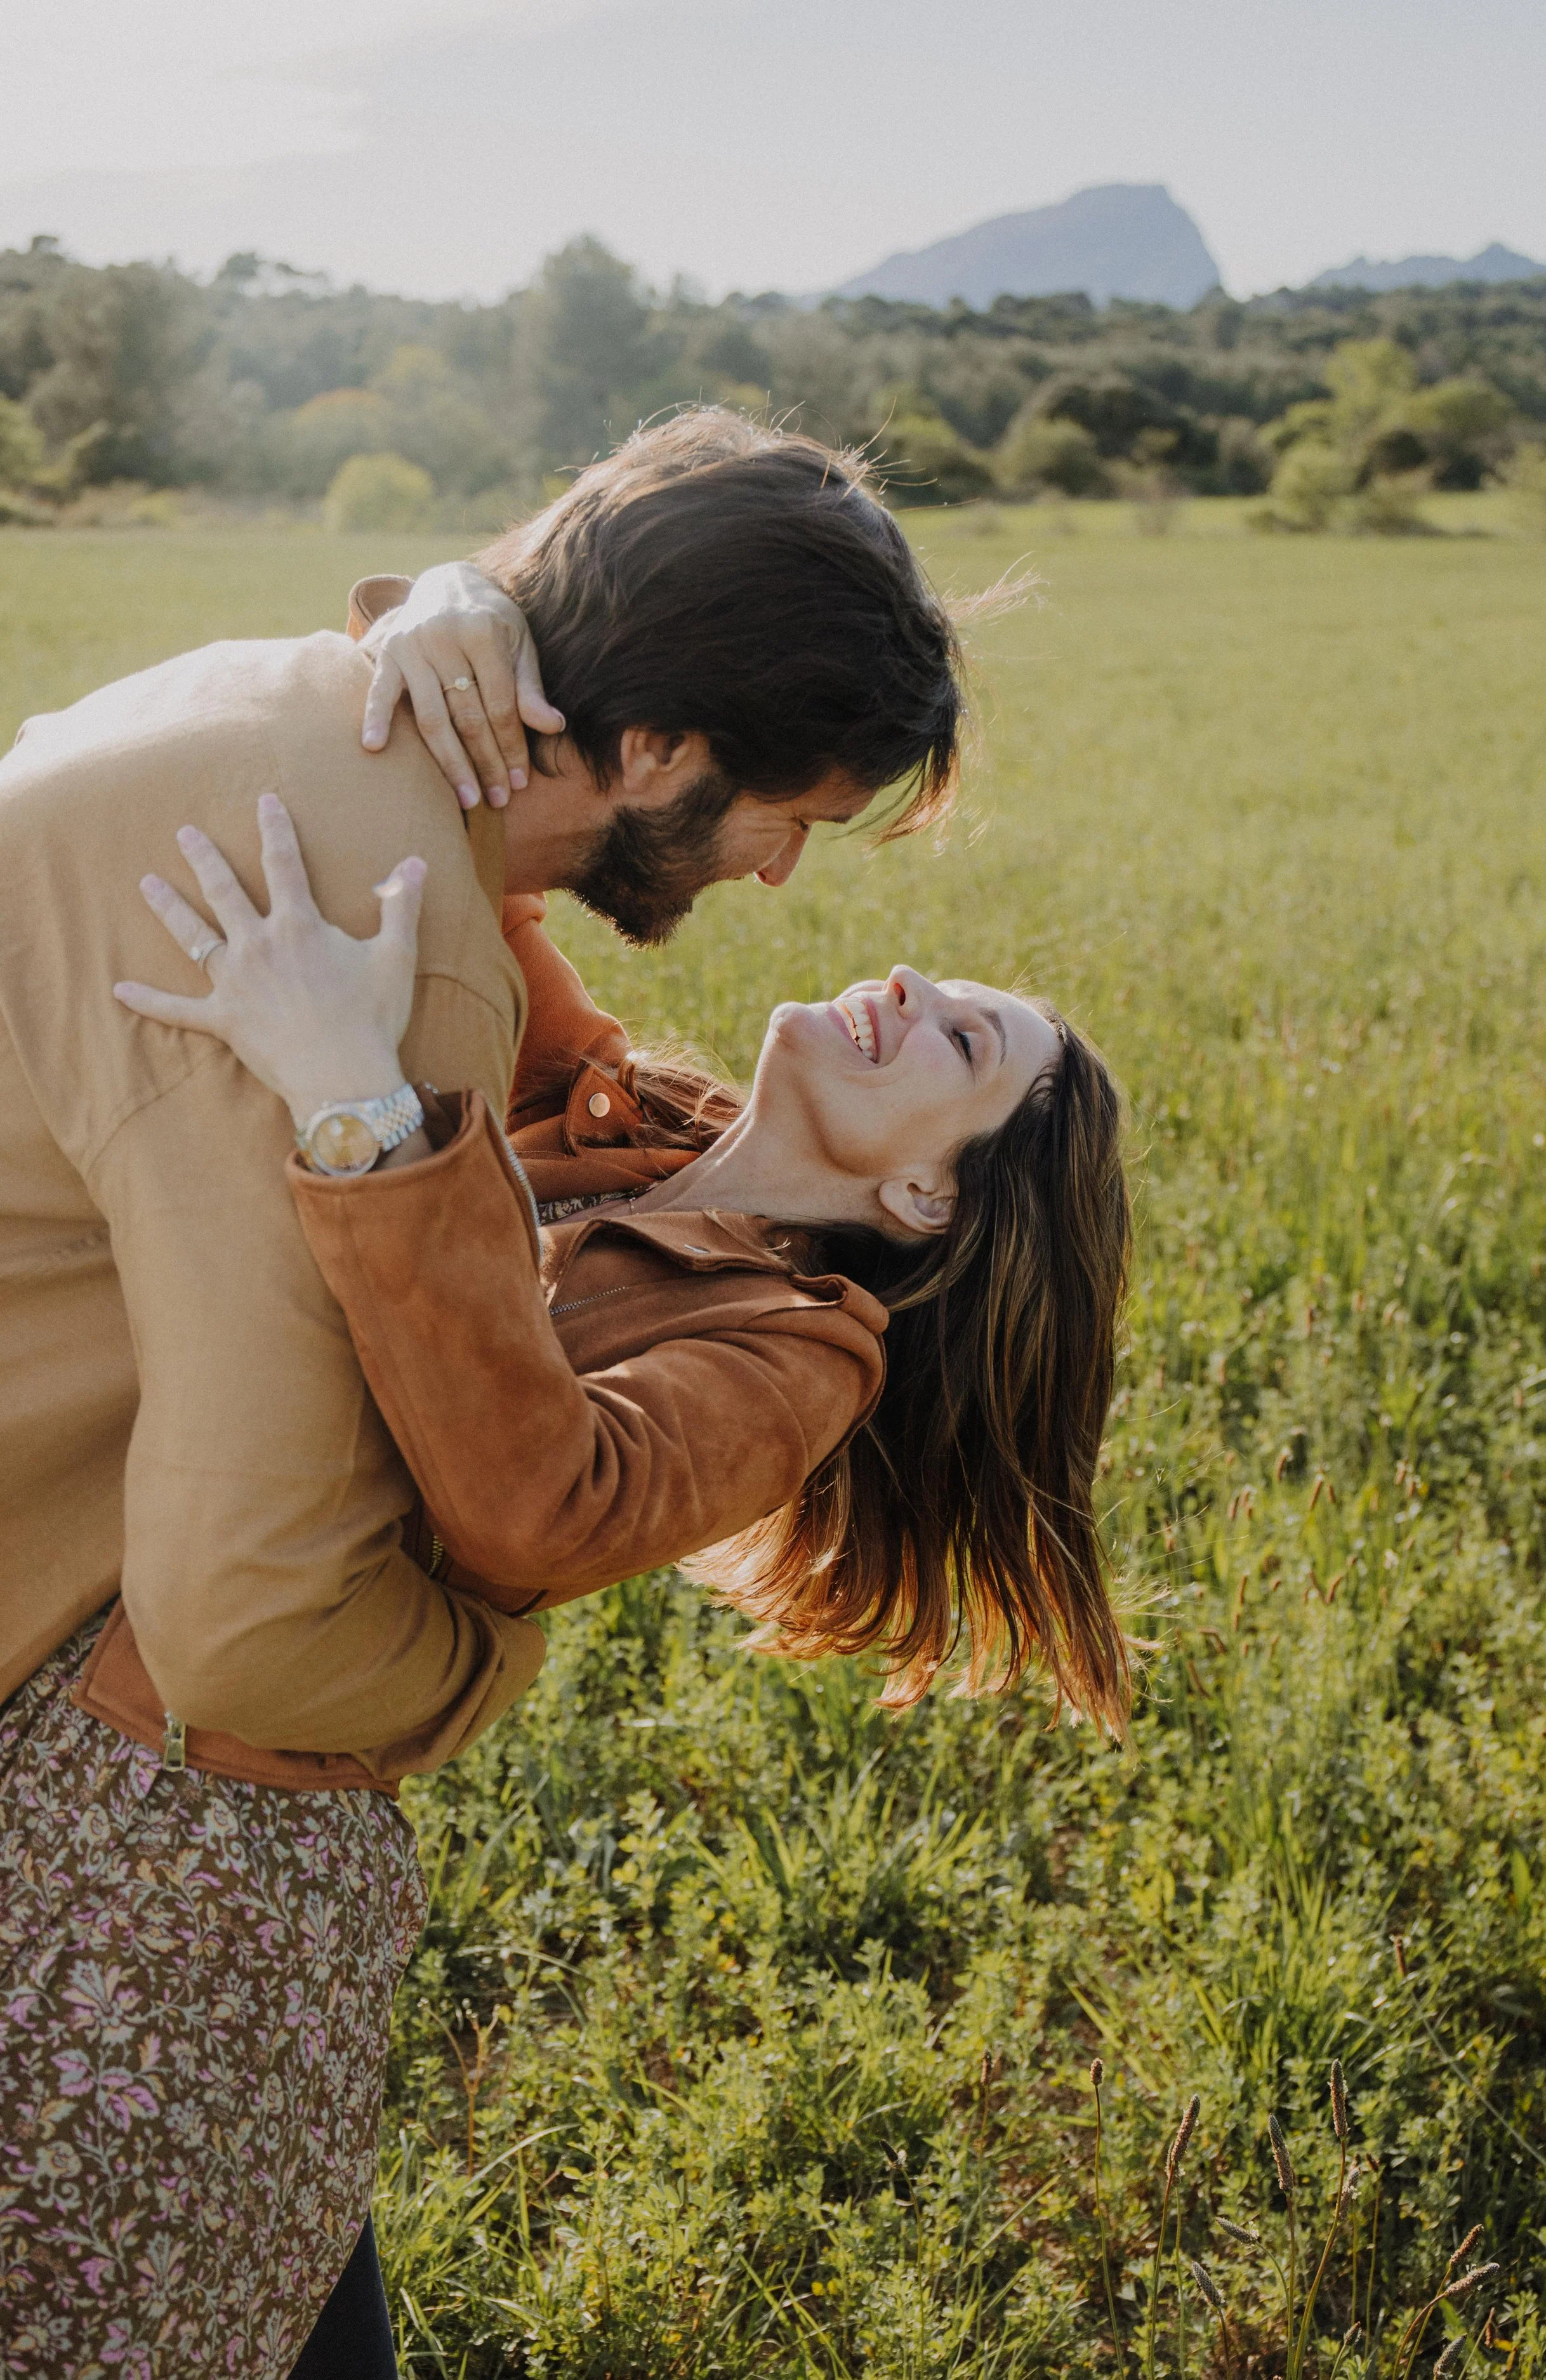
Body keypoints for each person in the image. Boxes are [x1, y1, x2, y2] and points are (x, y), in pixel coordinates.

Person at [0, 410, 968, 2379]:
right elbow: (255, 1620)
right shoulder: (391, 946)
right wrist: (480, 1671)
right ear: (658, 749)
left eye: (956, 1035)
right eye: (790, 804)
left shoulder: (284, 716)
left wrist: (450, 602)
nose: (785, 876)